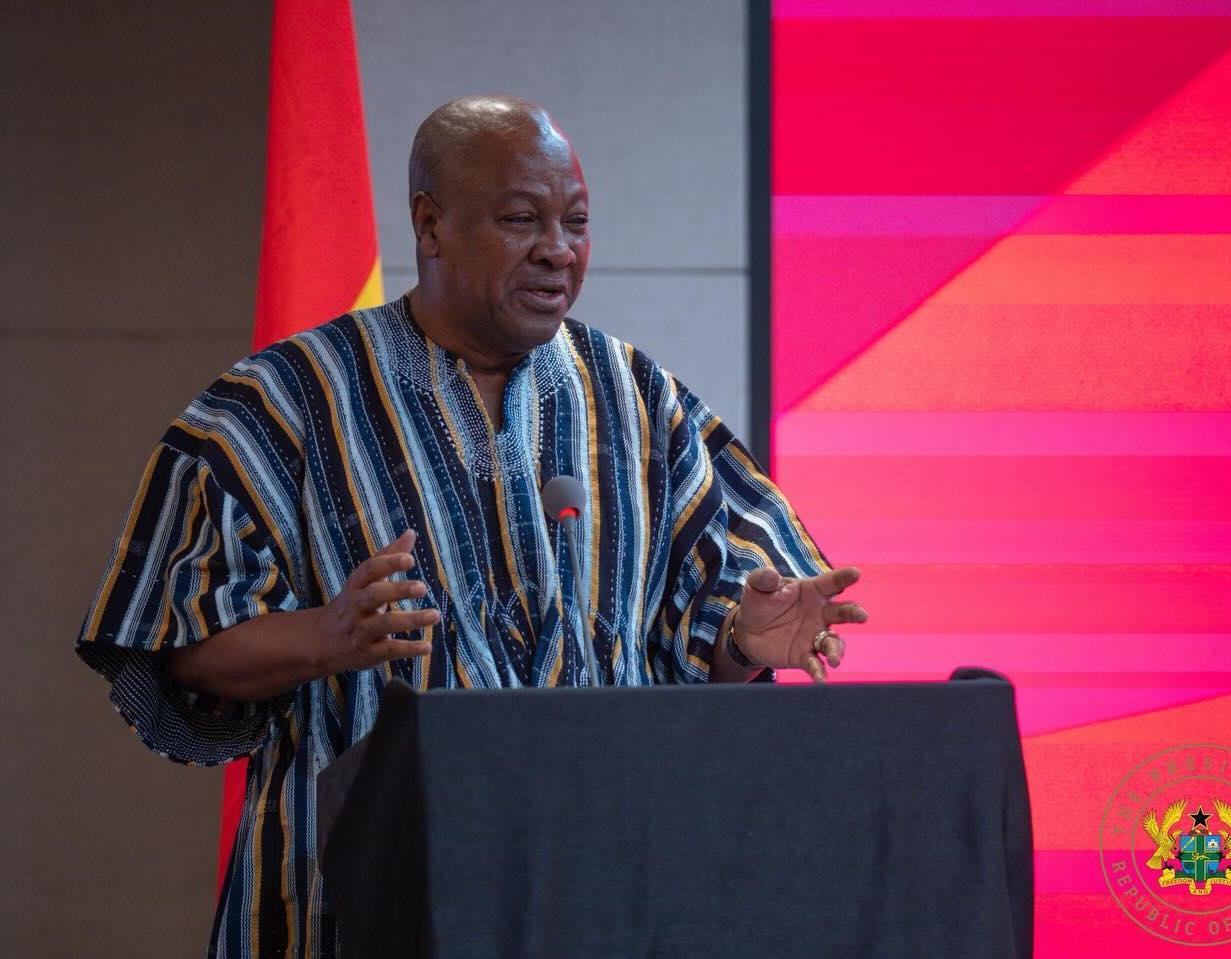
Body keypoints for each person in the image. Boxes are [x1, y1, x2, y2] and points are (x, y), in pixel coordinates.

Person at [76, 95, 865, 959]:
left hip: (594, 900)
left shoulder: (639, 400)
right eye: (522, 219)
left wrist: (742, 642)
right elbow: (180, 644)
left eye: (576, 222)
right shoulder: (283, 402)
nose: (558, 249)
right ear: (430, 225)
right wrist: (325, 635)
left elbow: (694, 657)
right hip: (351, 905)